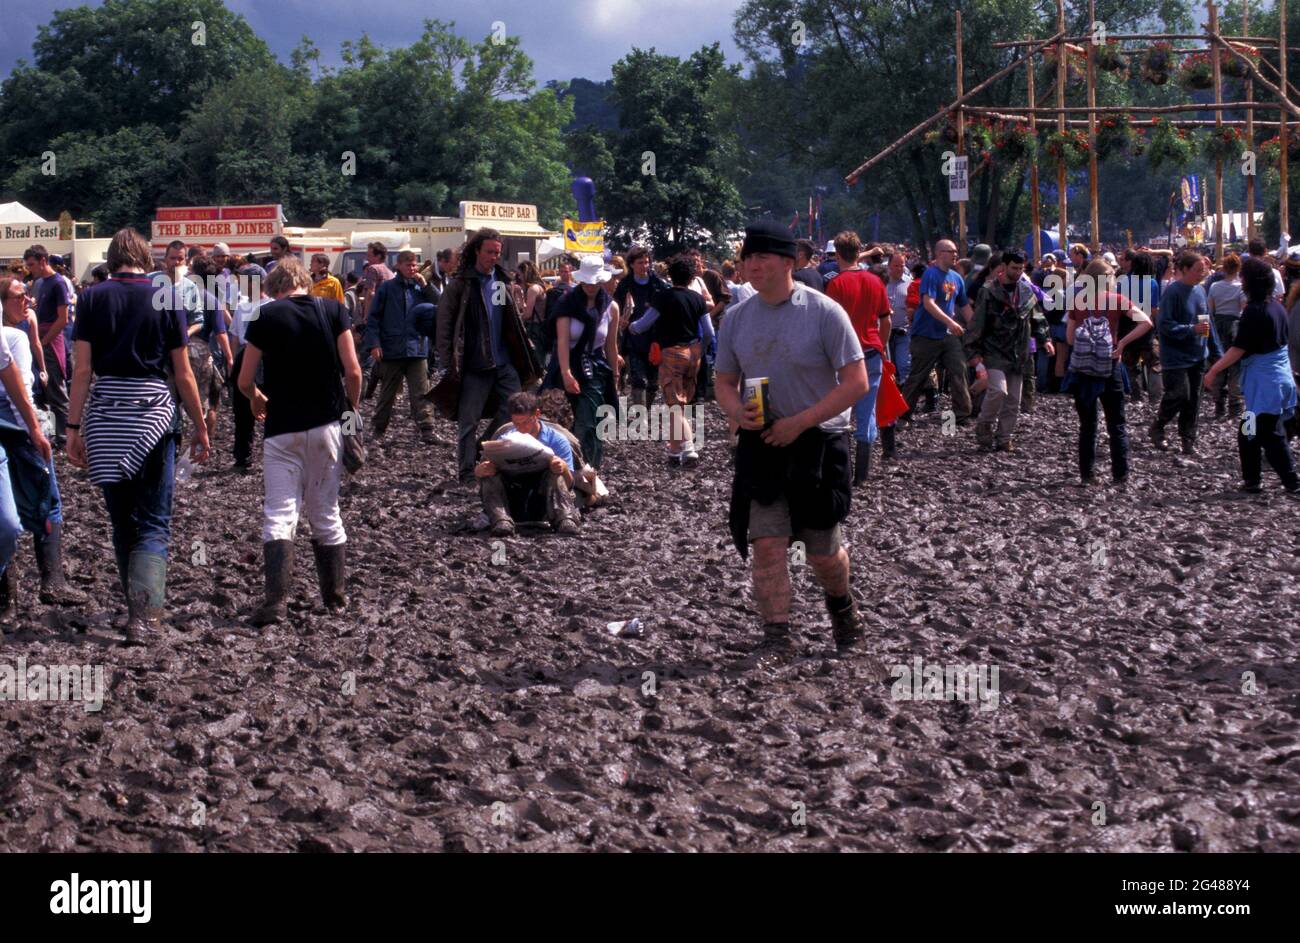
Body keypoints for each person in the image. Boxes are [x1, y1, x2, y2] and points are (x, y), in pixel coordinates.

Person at [714, 221, 868, 663]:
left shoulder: (823, 312)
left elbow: (856, 382)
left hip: (818, 442)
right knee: (766, 543)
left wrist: (800, 422)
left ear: (789, 262)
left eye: (763, 257)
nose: (752, 265)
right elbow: (724, 381)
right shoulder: (736, 318)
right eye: (748, 258)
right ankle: (777, 635)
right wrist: (734, 410)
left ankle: (841, 605)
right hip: (761, 442)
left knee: (822, 551)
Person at [66, 228, 211, 644]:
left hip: (107, 413)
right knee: (153, 520)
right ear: (146, 257)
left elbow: (81, 372)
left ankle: (135, 609)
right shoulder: (165, 295)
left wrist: (73, 428)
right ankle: (145, 619)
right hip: (152, 413)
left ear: (112, 258)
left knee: (120, 519)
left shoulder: (92, 297)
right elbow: (182, 372)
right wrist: (200, 426)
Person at [238, 257, 362, 625]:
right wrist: (350, 410)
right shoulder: (334, 309)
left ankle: (276, 604)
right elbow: (353, 371)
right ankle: (335, 600)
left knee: (279, 514)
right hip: (327, 425)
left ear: (274, 288)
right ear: (305, 282)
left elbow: (244, 380)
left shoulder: (264, 316)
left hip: (282, 428)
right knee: (326, 513)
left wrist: (256, 397)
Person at [435, 228, 541, 483]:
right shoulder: (461, 285)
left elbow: (507, 319)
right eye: (489, 252)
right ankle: (465, 471)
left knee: (516, 408)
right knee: (468, 421)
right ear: (476, 252)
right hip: (475, 364)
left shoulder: (500, 282)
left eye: (497, 252)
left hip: (504, 362)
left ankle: (484, 447)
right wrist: (447, 363)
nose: (494, 257)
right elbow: (445, 326)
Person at [0, 275, 71, 622]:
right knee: (47, 496)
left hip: (15, 423)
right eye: (18, 296)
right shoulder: (13, 336)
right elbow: (21, 389)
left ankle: (8, 596)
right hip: (17, 424)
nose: (27, 300)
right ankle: (52, 580)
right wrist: (35, 431)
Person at [1204, 256, 1300, 494]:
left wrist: (1214, 370)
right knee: (1248, 432)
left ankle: (1292, 482)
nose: (1241, 281)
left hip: (1265, 384)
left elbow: (1238, 349)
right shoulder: (1277, 307)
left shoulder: (1255, 311)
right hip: (1274, 380)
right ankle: (1252, 480)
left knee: (1271, 434)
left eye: (1244, 278)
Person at [1065, 260, 1152, 486]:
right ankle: (1120, 475)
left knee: (1087, 425)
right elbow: (1146, 322)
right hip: (1110, 365)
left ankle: (1087, 475)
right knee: (1117, 424)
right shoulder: (1117, 301)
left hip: (1084, 370)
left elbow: (1070, 339)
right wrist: (1121, 343)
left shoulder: (1078, 301)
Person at [965, 250, 1052, 453]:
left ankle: (1004, 439)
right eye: (1014, 268)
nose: (1018, 272)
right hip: (994, 351)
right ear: (1003, 267)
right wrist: (972, 350)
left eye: (1021, 268)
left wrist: (1045, 339)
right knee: (998, 390)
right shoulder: (988, 291)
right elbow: (978, 322)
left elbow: (1037, 318)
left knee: (1013, 399)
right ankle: (984, 426)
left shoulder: (1026, 292)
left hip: (1018, 351)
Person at [628, 257, 710, 466]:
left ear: (670, 275)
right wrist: (700, 349)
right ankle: (674, 451)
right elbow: (709, 331)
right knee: (681, 404)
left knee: (674, 405)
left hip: (672, 353)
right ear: (692, 276)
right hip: (693, 353)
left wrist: (631, 327)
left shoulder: (663, 297)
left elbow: (645, 324)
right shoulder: (698, 299)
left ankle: (689, 447)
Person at [825, 230, 889, 482]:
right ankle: (862, 474)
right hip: (872, 351)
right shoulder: (875, 281)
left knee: (838, 414)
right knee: (867, 413)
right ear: (859, 250)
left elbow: (829, 325)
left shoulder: (836, 284)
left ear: (837, 254)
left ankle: (840, 470)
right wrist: (882, 346)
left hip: (844, 356)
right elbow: (886, 319)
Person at [475, 391, 581, 536]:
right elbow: (483, 480)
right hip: (514, 493)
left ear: (537, 414)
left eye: (525, 422)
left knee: (556, 474)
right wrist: (480, 471)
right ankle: (501, 520)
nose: (521, 428)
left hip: (544, 497)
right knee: (489, 477)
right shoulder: (504, 437)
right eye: (516, 423)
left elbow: (569, 484)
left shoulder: (557, 440)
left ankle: (564, 519)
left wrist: (563, 469)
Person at [364, 250, 440, 445]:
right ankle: (378, 430)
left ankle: (427, 430)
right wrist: (374, 344)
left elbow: (441, 304)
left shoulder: (421, 287)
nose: (412, 268)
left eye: (414, 265)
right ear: (398, 266)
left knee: (422, 391)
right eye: (408, 265)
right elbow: (373, 318)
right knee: (387, 393)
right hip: (392, 348)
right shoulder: (387, 288)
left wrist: (427, 285)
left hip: (417, 348)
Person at [552, 256, 621, 471]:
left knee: (590, 420)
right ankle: (561, 469)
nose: (591, 286)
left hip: (595, 367)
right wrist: (566, 373)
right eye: (587, 282)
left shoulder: (611, 307)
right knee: (555, 419)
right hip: (566, 363)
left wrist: (616, 376)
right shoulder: (566, 303)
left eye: (595, 282)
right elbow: (562, 340)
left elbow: (610, 345)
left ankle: (589, 470)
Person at [1151, 252, 1223, 455]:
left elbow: (1209, 323)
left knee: (1194, 401)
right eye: (1198, 270)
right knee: (1179, 394)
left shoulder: (1200, 291)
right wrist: (1190, 329)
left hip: (1198, 354)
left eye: (1204, 270)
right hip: (1176, 356)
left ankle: (1188, 441)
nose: (1202, 273)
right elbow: (1164, 325)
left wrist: (1217, 351)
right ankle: (1159, 425)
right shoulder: (1173, 292)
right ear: (1184, 270)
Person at [899, 239, 973, 424]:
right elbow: (928, 303)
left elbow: (964, 306)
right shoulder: (931, 275)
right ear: (940, 253)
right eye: (951, 251)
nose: (955, 254)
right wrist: (950, 322)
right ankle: (903, 414)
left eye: (956, 251)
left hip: (947, 336)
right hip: (926, 335)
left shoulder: (957, 278)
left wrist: (975, 326)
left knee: (958, 369)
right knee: (918, 375)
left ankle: (962, 414)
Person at [23, 245, 72, 449]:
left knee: (56, 389)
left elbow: (63, 319)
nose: (30, 269)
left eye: (32, 264)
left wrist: (43, 343)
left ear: (43, 260)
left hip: (51, 340)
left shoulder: (58, 283)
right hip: (39, 338)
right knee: (40, 389)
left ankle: (65, 436)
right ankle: (51, 433)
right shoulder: (40, 283)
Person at [614, 246, 670, 414]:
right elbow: (616, 305)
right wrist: (620, 322)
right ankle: (641, 415)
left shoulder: (658, 284)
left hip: (655, 337)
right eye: (640, 263)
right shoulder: (625, 285)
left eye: (646, 262)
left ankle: (646, 408)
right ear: (631, 264)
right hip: (633, 337)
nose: (644, 266)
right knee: (638, 379)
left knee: (653, 381)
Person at [186, 255, 234, 445]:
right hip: (205, 352)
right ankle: (205, 441)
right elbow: (222, 333)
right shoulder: (211, 299)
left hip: (180, 350)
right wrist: (230, 357)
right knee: (210, 401)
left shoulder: (180, 294)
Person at [1206, 253, 1246, 418]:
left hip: (1218, 324)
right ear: (1238, 268)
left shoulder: (1215, 287)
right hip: (1235, 324)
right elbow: (1243, 308)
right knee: (1235, 365)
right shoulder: (1241, 287)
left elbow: (1209, 308)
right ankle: (1234, 405)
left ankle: (1219, 405)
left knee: (1219, 361)